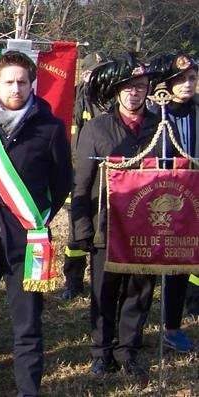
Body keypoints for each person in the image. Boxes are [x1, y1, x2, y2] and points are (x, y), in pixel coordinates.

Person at [0, 51, 72, 397]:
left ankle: (27, 391)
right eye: (9, 81)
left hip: (29, 242)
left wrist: (33, 218)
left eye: (22, 81)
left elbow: (61, 182)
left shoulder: (50, 128)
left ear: (32, 83)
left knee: (28, 325)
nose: (16, 88)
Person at [70, 54, 158, 379]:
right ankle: (102, 352)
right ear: (117, 91)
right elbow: (82, 181)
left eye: (140, 86)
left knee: (139, 292)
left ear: (147, 89)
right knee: (104, 292)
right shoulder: (96, 128)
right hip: (106, 226)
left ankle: (128, 350)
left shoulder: (159, 126)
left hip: (146, 227)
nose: (134, 93)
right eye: (128, 87)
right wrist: (81, 227)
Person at [144, 52, 197, 353]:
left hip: (191, 198)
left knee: (179, 263)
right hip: (154, 196)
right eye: (179, 79)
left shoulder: (197, 111)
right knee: (144, 264)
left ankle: (173, 326)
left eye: (191, 78)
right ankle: (133, 328)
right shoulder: (154, 113)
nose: (187, 84)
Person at [62, 51, 110, 300]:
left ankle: (102, 281)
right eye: (92, 72)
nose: (95, 78)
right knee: (75, 235)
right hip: (76, 176)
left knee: (104, 233)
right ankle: (73, 281)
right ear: (83, 73)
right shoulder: (71, 98)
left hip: (106, 181)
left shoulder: (110, 99)